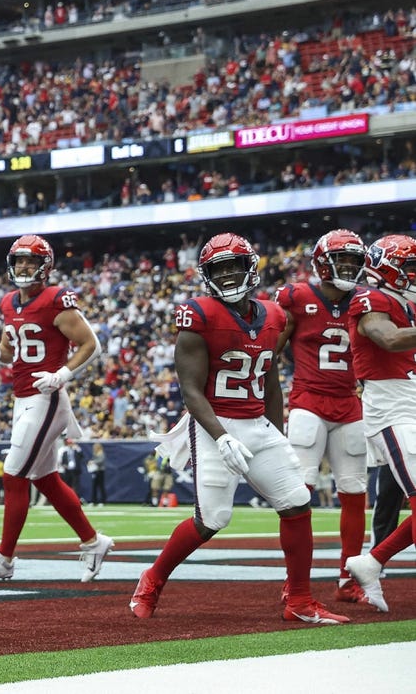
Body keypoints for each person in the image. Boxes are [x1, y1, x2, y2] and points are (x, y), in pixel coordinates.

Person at [131, 233, 348, 624]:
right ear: (206, 275)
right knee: (212, 519)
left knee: (297, 501)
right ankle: (152, 578)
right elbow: (191, 391)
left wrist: (278, 429)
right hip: (214, 423)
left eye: (234, 266)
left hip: (257, 423)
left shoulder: (275, 315)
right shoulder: (198, 314)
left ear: (251, 268)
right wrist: (222, 436)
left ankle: (299, 599)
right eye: (220, 268)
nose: (229, 274)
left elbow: (270, 380)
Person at [0, 234, 113, 584]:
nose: (24, 267)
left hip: (46, 398)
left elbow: (92, 345)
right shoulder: (7, 302)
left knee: (14, 473)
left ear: (46, 266)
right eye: (19, 261)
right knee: (45, 479)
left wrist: (62, 373)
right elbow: (9, 349)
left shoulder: (56, 300)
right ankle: (93, 541)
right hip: (22, 398)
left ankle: (3, 560)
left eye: (31, 261)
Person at [274, 229, 370, 604]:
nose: (348, 267)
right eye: (341, 260)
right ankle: (294, 581)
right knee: (299, 494)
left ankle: (349, 577)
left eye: (353, 261)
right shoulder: (297, 297)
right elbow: (272, 346)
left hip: (349, 402)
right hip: (309, 401)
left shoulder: (365, 300)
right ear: (321, 263)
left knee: (354, 493)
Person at [343, 234, 416, 613]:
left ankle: (371, 561)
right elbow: (386, 338)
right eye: (410, 267)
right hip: (393, 410)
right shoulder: (370, 299)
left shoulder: (406, 302)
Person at [88, 441, 107, 506]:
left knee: (101, 486)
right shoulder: (95, 454)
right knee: (94, 487)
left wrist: (93, 462)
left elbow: (101, 461)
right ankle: (93, 501)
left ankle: (102, 501)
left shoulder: (101, 453)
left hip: (100, 471)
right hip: (95, 471)